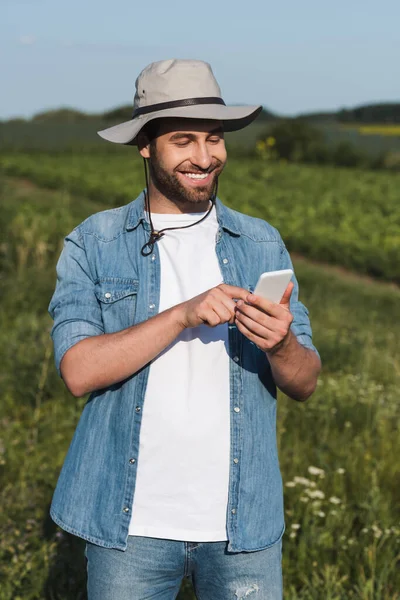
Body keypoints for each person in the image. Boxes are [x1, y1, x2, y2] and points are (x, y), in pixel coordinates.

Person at [48, 59, 321, 600]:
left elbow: (305, 381)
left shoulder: (262, 243)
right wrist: (181, 314)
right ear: (145, 146)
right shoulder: (94, 242)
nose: (204, 157)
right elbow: (78, 371)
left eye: (214, 140)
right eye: (183, 140)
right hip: (130, 529)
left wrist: (282, 343)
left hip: (243, 528)